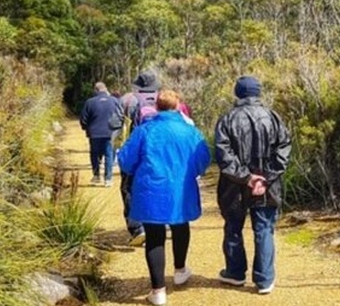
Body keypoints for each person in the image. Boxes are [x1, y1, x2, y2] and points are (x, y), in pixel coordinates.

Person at [117, 89, 211, 306]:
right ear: (177, 106)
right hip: (181, 188)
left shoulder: (145, 130)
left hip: (151, 189)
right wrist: (192, 172)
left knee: (154, 236)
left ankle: (158, 291)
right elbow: (203, 157)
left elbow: (126, 160)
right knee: (180, 226)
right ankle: (180, 270)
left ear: (156, 106)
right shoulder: (189, 131)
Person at [214, 75, 291, 295]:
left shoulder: (228, 119)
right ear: (258, 93)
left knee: (233, 227)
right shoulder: (273, 117)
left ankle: (236, 272)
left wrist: (247, 178)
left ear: (237, 93)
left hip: (233, 186)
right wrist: (264, 177)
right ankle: (265, 279)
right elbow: (284, 149)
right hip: (266, 186)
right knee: (264, 229)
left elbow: (224, 155)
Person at [118, 70, 161, 246]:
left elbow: (118, 125)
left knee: (129, 188)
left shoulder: (128, 100)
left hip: (134, 150)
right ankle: (157, 222)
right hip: (157, 151)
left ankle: (137, 228)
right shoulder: (162, 99)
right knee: (154, 186)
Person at [79, 81, 122, 187]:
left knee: (94, 154)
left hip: (94, 133)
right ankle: (108, 179)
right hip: (110, 132)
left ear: (95, 90)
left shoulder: (90, 102)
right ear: (106, 89)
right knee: (109, 155)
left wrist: (86, 128)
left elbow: (83, 119)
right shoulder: (114, 101)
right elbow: (121, 115)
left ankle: (96, 175)